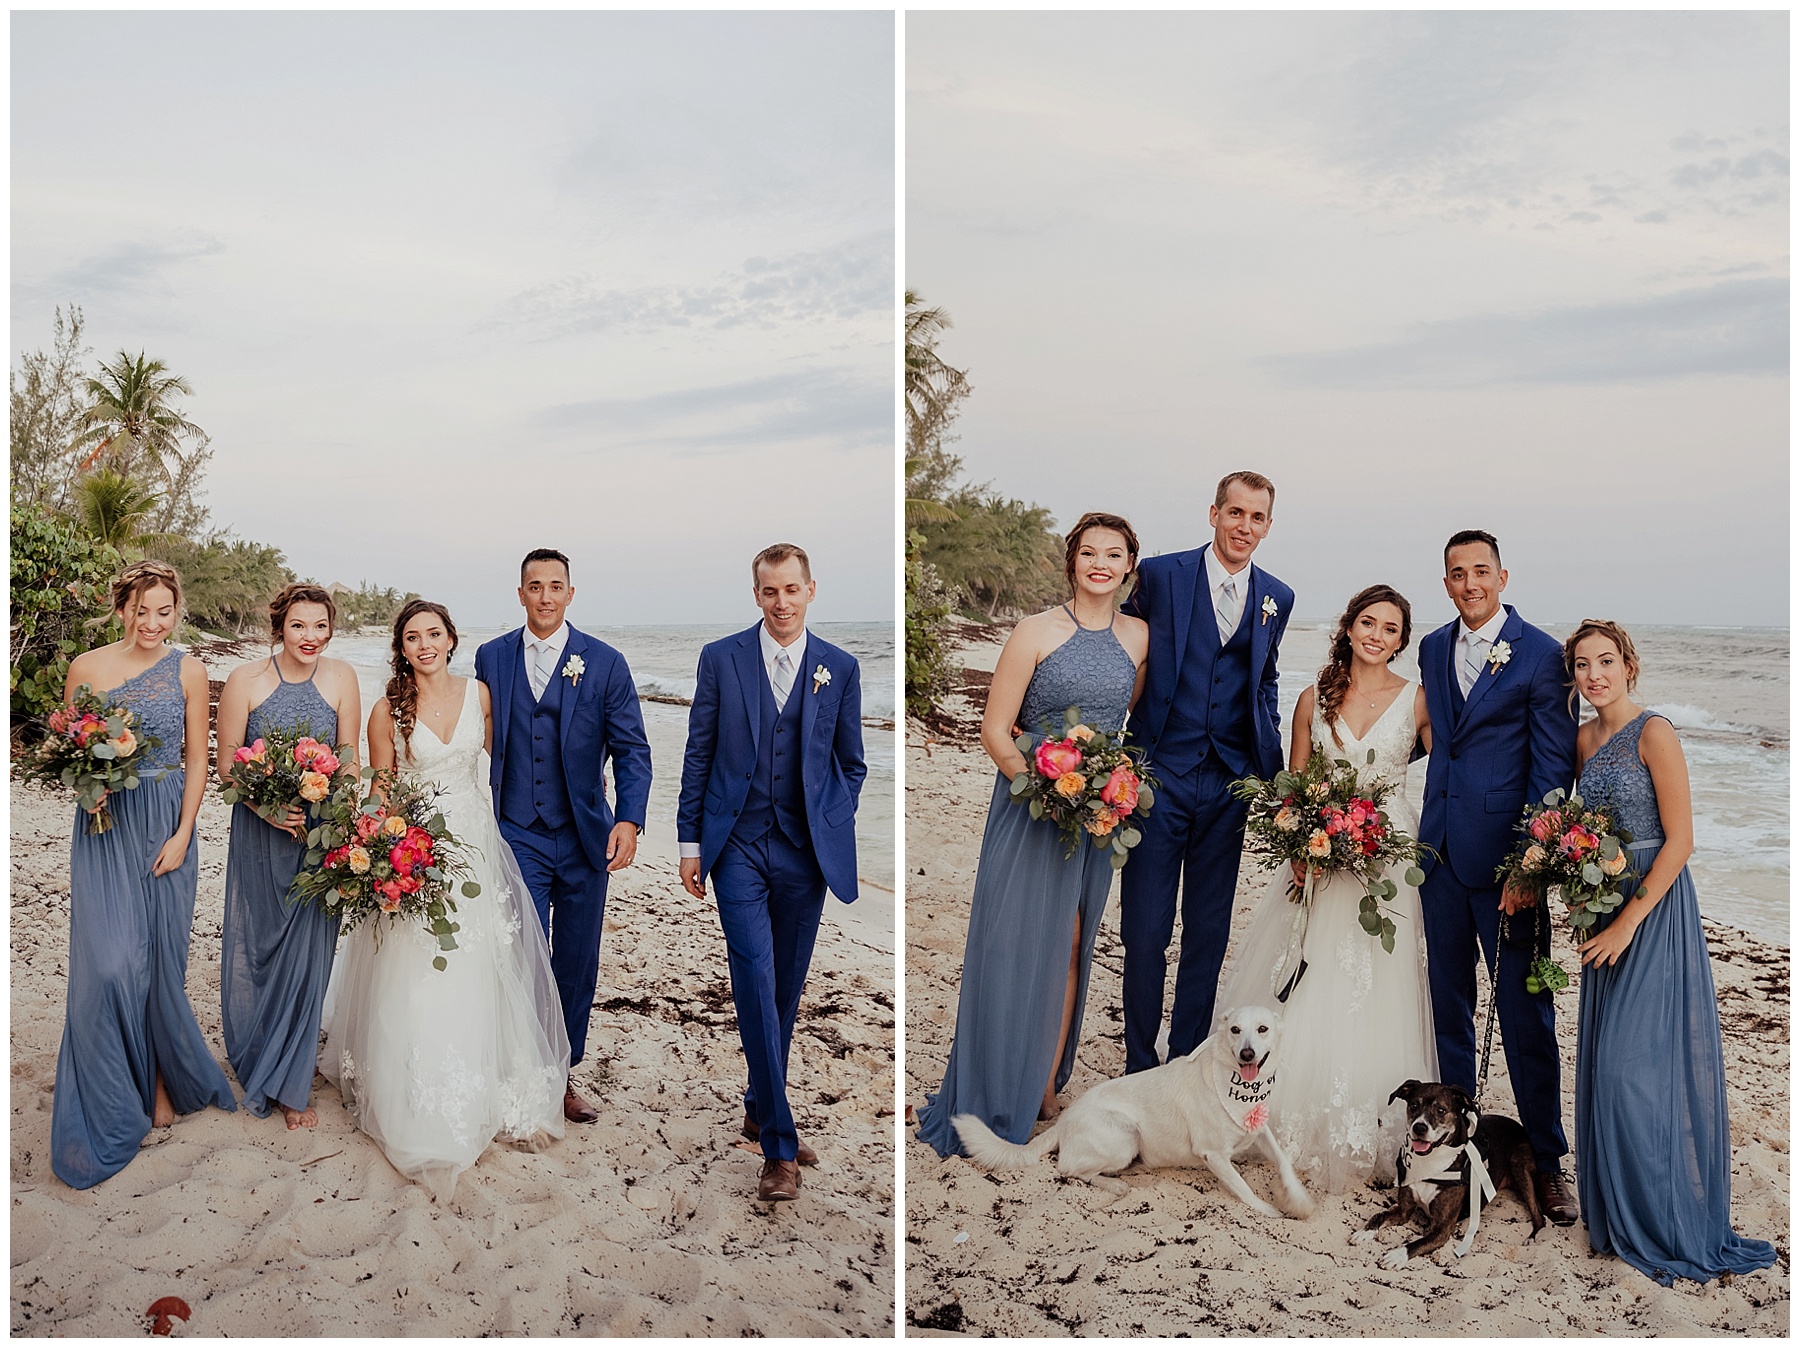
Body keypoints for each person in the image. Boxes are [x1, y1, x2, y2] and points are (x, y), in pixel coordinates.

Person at [320, 601, 569, 1202]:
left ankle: (491, 1087)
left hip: (478, 848)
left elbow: (512, 765)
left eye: (434, 634)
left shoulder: (483, 694)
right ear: (401, 648)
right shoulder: (387, 711)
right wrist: (383, 855)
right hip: (418, 850)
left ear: (452, 640)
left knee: (481, 965)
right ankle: (416, 1098)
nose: (425, 644)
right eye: (413, 637)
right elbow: (380, 792)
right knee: (419, 971)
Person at [916, 513, 1148, 1157]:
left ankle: (1045, 1086)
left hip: (1097, 816)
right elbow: (996, 729)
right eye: (1089, 552)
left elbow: (1122, 730)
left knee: (1074, 944)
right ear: (1071, 560)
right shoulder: (1034, 631)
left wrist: (1105, 790)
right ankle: (998, 1086)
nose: (1100, 563)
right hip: (1031, 808)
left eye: (1114, 553)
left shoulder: (1139, 638)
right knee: (1016, 943)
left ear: (1131, 564)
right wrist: (1044, 792)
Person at [1567, 620, 1777, 1285]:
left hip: (1652, 914)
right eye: (1581, 665)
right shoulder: (1583, 741)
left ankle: (1663, 1220)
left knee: (1635, 1070)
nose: (1594, 674)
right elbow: (1585, 835)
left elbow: (1682, 840)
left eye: (1606, 660)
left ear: (1630, 666)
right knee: (1607, 1066)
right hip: (1604, 910)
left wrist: (1629, 920)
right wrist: (1578, 896)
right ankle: (1624, 1216)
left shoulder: (1654, 731)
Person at [1214, 584, 1436, 1191]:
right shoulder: (1315, 697)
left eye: (1391, 629)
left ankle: (1372, 1128)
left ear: (1401, 640)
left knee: (1377, 981)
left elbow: (1448, 775)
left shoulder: (1419, 700)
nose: (1377, 635)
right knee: (1308, 973)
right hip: (1322, 853)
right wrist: (1300, 850)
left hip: (1387, 859)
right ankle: (1281, 1115)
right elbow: (1297, 786)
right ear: (1350, 626)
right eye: (1369, 622)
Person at [677, 543, 866, 1201]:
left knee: (785, 988)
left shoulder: (838, 668)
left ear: (812, 589)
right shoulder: (721, 659)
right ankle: (778, 1148)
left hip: (804, 854)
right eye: (769, 592)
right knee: (754, 978)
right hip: (738, 849)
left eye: (792, 590)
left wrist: (830, 820)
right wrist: (689, 841)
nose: (781, 603)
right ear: (755, 594)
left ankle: (759, 1105)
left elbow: (853, 762)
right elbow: (698, 752)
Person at [50, 561, 236, 1188]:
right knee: (108, 964)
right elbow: (74, 751)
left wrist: (184, 834)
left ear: (177, 610)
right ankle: (111, 1090)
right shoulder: (87, 668)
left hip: (164, 823)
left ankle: (158, 1081)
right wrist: (90, 792)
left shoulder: (188, 668)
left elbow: (198, 763)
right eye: (141, 610)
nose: (152, 623)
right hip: (105, 828)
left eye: (164, 611)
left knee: (157, 964)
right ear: (121, 608)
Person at [1415, 529, 1578, 1223]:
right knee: (1449, 1006)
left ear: (1502, 576)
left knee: (1523, 1016)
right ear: (1446, 582)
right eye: (1457, 573)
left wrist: (1531, 863)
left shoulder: (1543, 655)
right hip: (1440, 856)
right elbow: (1437, 745)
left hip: (1509, 868)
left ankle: (1547, 1159)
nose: (1470, 582)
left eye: (1481, 570)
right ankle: (1459, 1149)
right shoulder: (1429, 647)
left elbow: (1552, 769)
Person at [1117, 471, 1292, 1073]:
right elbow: (1124, 653)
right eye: (1235, 513)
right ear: (1213, 513)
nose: (1245, 527)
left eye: (1258, 518)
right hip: (1157, 776)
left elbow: (1264, 681)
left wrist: (1270, 771)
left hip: (1228, 783)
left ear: (1268, 525)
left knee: (1207, 933)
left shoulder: (1278, 597)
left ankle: (1186, 1059)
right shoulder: (1162, 577)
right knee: (1144, 931)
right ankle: (1140, 1062)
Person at [474, 549, 652, 1124]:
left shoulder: (605, 663)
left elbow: (632, 750)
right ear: (520, 593)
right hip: (517, 830)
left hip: (585, 837)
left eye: (556, 586)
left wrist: (629, 818)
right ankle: (527, 1067)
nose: (545, 596)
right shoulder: (491, 657)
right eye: (535, 586)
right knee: (522, 952)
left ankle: (564, 1070)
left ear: (570, 594)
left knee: (577, 959)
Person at [217, 583, 361, 1129]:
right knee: (263, 946)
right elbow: (228, 762)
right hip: (262, 831)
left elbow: (348, 757)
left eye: (320, 626)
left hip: (322, 833)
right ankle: (264, 1053)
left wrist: (344, 811)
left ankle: (293, 1082)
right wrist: (265, 808)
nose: (311, 637)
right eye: (300, 625)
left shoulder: (343, 676)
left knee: (312, 953)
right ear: (280, 626)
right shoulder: (244, 681)